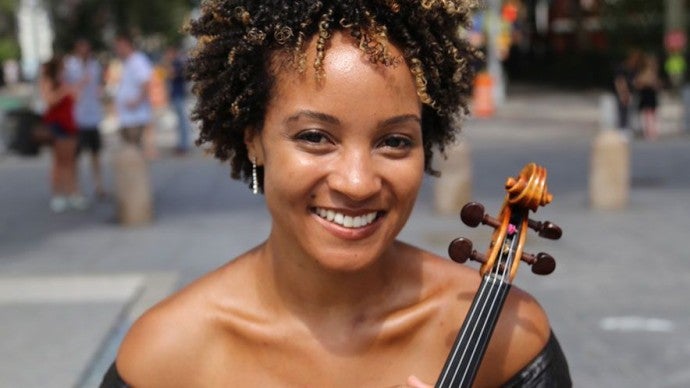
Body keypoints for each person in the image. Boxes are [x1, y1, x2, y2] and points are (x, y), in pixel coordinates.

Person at [101, 1, 571, 387]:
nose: (357, 181)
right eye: (314, 137)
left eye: (395, 141)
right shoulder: (164, 356)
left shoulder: (506, 338)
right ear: (253, 139)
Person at [39, 56, 87, 212]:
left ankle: (72, 192)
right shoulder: (48, 82)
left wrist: (78, 86)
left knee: (71, 161)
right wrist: (63, 90)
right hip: (57, 125)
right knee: (59, 162)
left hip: (69, 124)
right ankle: (58, 194)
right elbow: (50, 101)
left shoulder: (65, 83)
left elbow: (76, 98)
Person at [66, 39, 106, 198]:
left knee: (95, 153)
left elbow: (99, 84)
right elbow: (67, 89)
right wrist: (81, 83)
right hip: (78, 116)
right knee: (76, 155)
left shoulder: (94, 65)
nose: (85, 52)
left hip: (93, 114)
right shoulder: (70, 66)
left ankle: (98, 185)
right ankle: (75, 188)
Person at [113, 32, 153, 147]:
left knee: (134, 153)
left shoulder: (138, 61)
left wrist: (137, 100)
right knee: (130, 152)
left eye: (119, 46)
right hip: (127, 117)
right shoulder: (126, 62)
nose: (117, 50)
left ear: (127, 45)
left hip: (135, 117)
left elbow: (146, 82)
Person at [162, 45, 192, 155]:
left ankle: (184, 145)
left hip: (179, 95)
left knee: (182, 122)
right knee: (179, 123)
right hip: (176, 95)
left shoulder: (178, 63)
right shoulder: (176, 63)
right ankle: (181, 144)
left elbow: (173, 75)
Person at [613, 50, 641, 131]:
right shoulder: (622, 68)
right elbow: (619, 81)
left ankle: (628, 128)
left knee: (630, 111)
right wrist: (623, 93)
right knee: (622, 111)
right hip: (623, 93)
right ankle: (622, 129)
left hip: (631, 92)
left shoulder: (634, 69)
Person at [635, 54, 661, 141]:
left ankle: (652, 131)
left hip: (651, 95)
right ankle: (648, 131)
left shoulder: (653, 73)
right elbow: (638, 84)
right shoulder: (642, 73)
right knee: (647, 114)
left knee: (652, 114)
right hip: (645, 95)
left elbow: (656, 85)